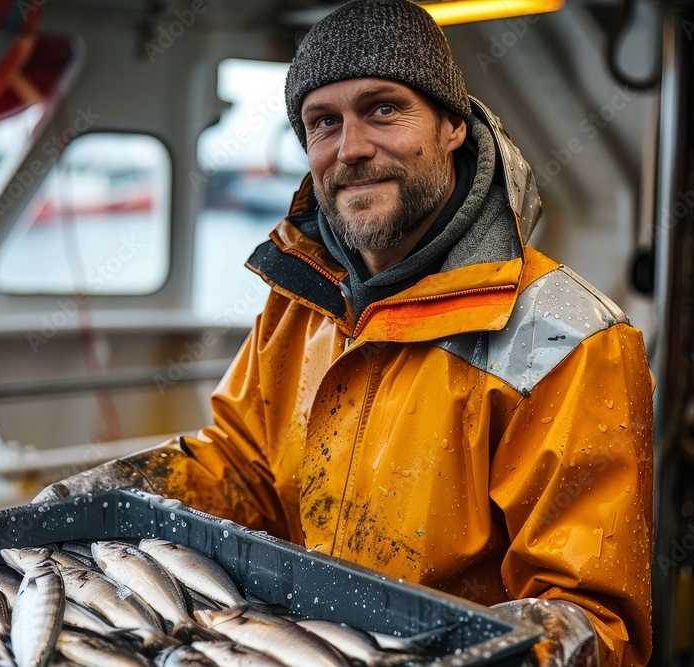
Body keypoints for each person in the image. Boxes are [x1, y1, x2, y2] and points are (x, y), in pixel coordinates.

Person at [34, 1, 654, 665]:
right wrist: (107, 498)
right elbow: (245, 473)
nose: (351, 148)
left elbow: (591, 620)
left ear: (451, 125)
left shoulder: (570, 341)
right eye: (323, 122)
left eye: (383, 109)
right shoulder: (301, 302)